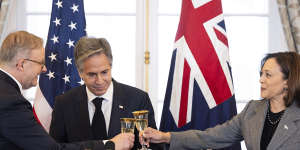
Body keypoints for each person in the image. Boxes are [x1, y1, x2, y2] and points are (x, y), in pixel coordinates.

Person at [0, 31, 134, 150]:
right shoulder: (10, 101)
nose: (44, 69)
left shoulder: (6, 93)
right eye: (40, 63)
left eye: (104, 72)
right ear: (21, 64)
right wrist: (110, 145)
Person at [141, 51, 300, 150]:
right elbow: (211, 137)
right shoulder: (253, 110)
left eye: (268, 75)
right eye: (261, 74)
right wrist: (166, 137)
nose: (261, 80)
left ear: (287, 81)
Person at [49, 37, 162, 150]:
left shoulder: (138, 99)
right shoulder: (64, 103)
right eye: (92, 74)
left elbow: (153, 146)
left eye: (104, 72)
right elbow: (55, 148)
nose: (99, 81)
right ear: (80, 73)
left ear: (111, 67)